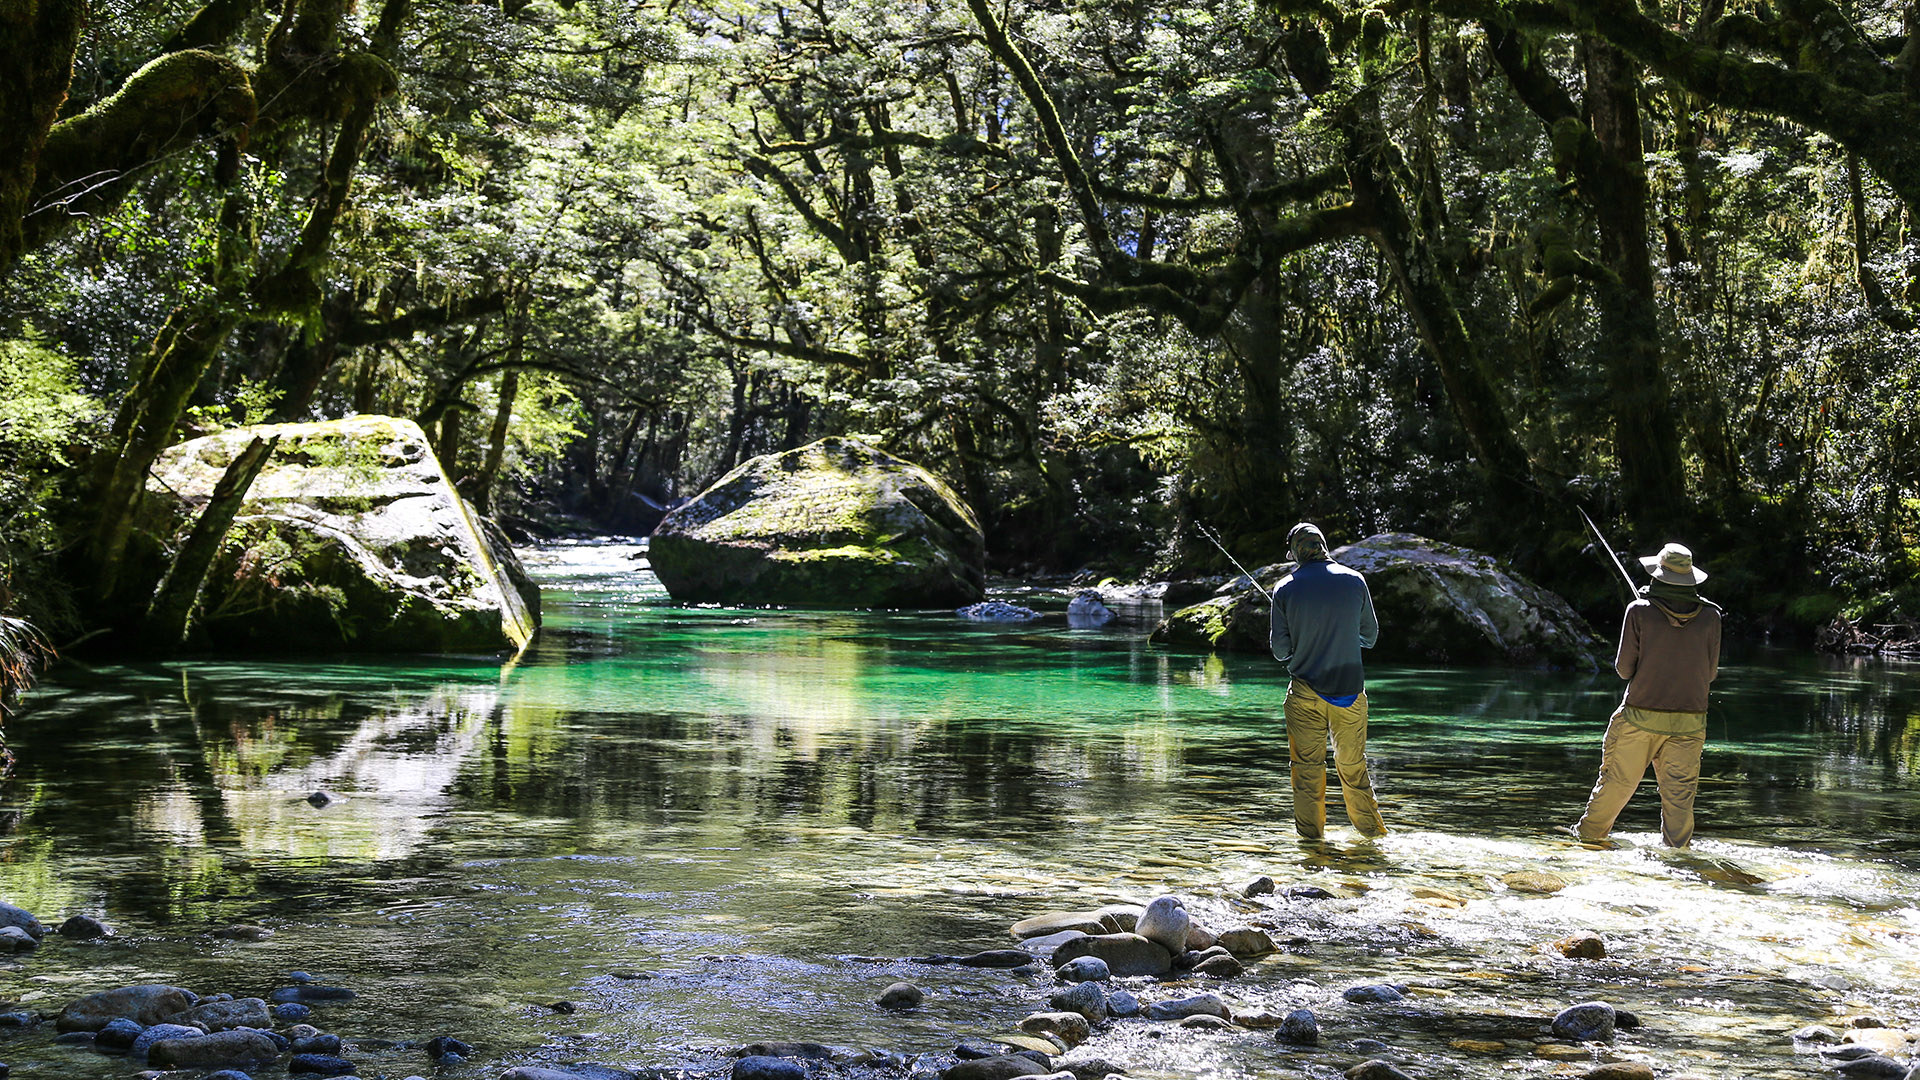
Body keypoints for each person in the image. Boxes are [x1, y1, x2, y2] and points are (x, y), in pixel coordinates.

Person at [1571, 542, 1722, 848]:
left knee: (1617, 785)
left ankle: (1585, 843)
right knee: (1679, 799)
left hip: (1639, 717)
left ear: (1657, 575)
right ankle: (1678, 859)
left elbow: (1624, 670)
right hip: (1690, 723)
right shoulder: (1711, 617)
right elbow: (1710, 675)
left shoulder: (1638, 610)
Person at [1269, 522, 1387, 839]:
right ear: (1324, 546)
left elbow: (1280, 651)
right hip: (1350, 691)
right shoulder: (1355, 581)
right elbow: (1370, 637)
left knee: (1307, 771)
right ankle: (1372, 838)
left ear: (1296, 552)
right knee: (1352, 767)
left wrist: (1302, 640)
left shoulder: (1284, 588)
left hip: (1304, 691)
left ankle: (1312, 846)